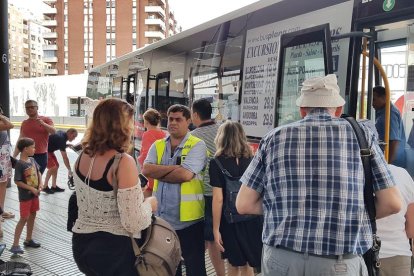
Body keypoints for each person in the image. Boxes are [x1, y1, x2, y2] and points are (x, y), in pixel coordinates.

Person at [236, 74, 402, 276]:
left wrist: (289, 208)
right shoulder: (362, 137)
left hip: (281, 261)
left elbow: (243, 204)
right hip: (338, 265)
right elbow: (392, 203)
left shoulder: (273, 138)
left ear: (302, 110)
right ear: (338, 109)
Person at [72, 98, 157, 275]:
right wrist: (150, 204)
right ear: (121, 124)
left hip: (81, 244)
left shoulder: (83, 155)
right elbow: (133, 222)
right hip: (113, 251)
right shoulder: (122, 162)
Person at [143, 104, 208, 276]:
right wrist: (175, 169)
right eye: (170, 119)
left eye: (178, 119)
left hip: (190, 222)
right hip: (162, 221)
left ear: (188, 121)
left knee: (195, 269)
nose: (173, 122)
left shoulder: (197, 145)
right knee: (169, 268)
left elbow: (185, 175)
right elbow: (147, 170)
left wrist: (161, 170)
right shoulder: (158, 145)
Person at [210, 121, 262, 276]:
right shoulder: (253, 159)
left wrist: (215, 228)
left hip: (230, 222)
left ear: (221, 137)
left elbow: (218, 199)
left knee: (233, 265)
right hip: (252, 218)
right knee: (248, 265)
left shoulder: (216, 162)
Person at [190, 98, 225, 276]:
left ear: (195, 114)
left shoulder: (193, 136)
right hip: (226, 192)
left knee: (211, 239)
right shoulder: (223, 130)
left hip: (206, 192)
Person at [377, 164, 414, 276]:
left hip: (363, 257)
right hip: (399, 256)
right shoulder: (402, 174)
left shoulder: (355, 171)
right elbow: (411, 230)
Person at [10, 138, 42, 254]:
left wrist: (41, 184)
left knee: (33, 215)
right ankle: (15, 244)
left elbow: (38, 172)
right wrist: (32, 189)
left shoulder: (32, 160)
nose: (35, 149)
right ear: (25, 149)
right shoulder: (20, 164)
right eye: (33, 147)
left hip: (34, 195)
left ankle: (28, 239)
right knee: (24, 218)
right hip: (25, 197)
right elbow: (17, 181)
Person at [13, 100, 56, 174]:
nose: (29, 109)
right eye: (27, 108)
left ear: (37, 108)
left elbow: (53, 131)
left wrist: (43, 124)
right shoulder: (25, 123)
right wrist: (14, 156)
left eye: (32, 107)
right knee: (25, 180)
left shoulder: (46, 119)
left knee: (36, 181)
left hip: (41, 155)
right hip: (25, 155)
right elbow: (20, 140)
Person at [372, 85, 407, 167]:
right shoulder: (382, 112)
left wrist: (388, 165)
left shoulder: (390, 113)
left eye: (374, 100)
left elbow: (394, 141)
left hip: (394, 162)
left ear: (384, 98)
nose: (372, 103)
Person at [137, 108, 166, 197]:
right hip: (161, 172)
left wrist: (139, 159)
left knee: (147, 202)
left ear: (146, 122)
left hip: (150, 174)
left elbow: (145, 155)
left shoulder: (147, 134)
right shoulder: (163, 134)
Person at [43, 128, 78, 194]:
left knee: (56, 166)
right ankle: (45, 186)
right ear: (69, 133)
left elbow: (57, 142)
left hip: (49, 150)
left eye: (75, 137)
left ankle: (54, 186)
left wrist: (66, 145)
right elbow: (65, 158)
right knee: (53, 167)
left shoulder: (62, 133)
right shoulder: (61, 139)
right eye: (73, 136)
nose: (74, 138)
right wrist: (69, 170)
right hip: (44, 151)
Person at [0, 105, 15, 225]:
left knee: (3, 183)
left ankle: (1, 211)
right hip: (1, 156)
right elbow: (10, 125)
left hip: (4, 155)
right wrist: (1, 116)